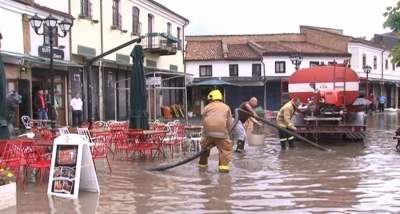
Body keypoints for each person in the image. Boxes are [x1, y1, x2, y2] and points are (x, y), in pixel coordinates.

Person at [198, 90, 233, 173]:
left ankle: (202, 166)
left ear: (211, 98)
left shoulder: (206, 107)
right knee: (225, 150)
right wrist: (227, 134)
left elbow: (204, 121)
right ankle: (223, 169)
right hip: (222, 133)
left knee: (204, 149)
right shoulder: (226, 107)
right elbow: (229, 123)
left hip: (207, 133)